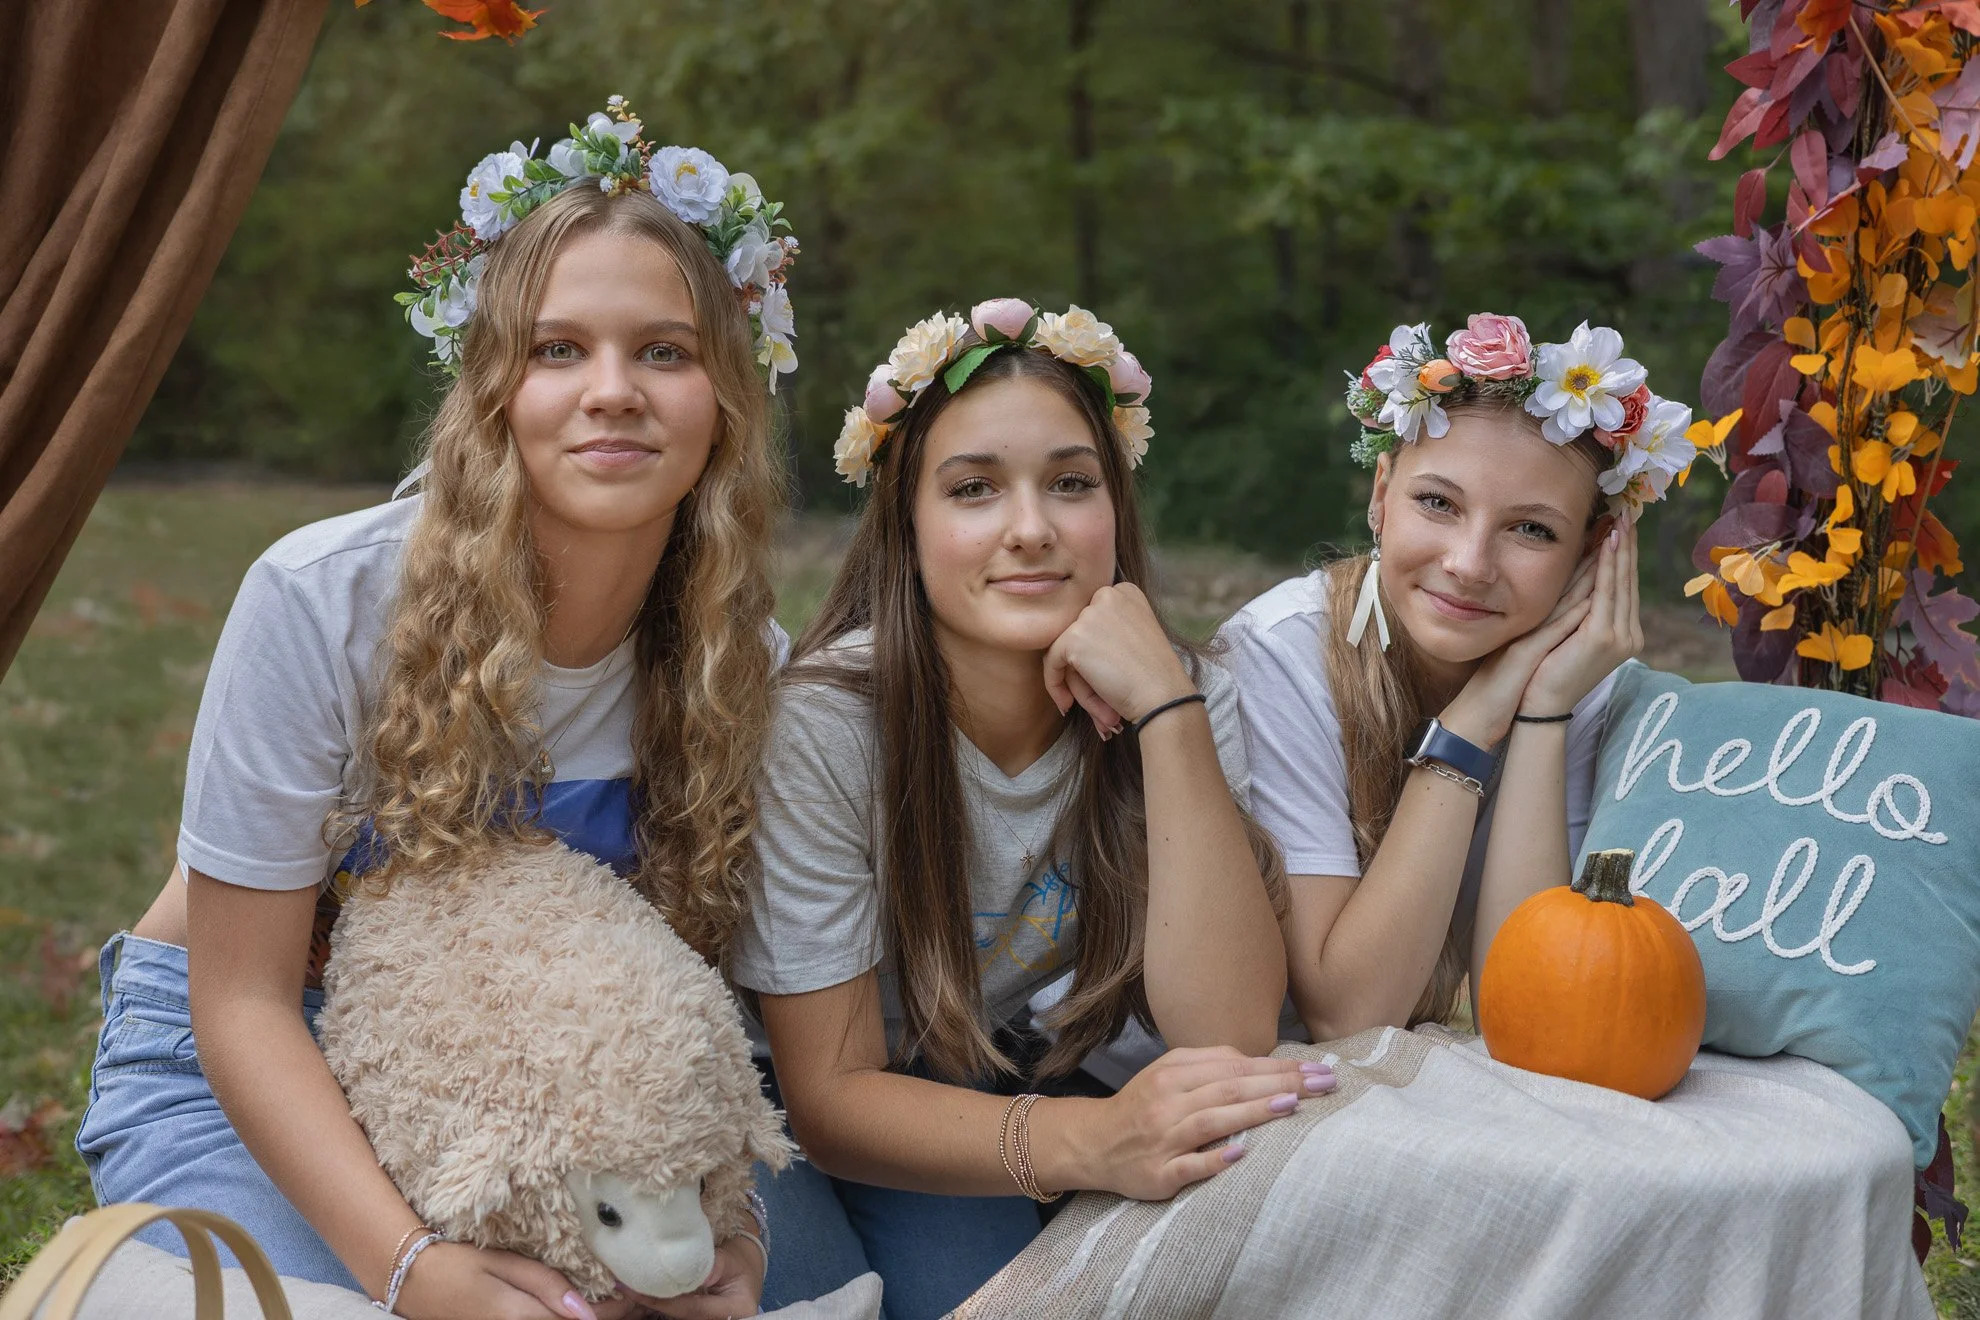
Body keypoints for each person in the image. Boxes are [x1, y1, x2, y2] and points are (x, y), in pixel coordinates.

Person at [75, 99, 797, 1320]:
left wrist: (732, 1229)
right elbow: (241, 1004)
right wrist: (410, 1270)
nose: (612, 391)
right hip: (250, 1048)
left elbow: (700, 1008)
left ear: (727, 393)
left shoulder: (743, 664)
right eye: (557, 348)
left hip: (546, 1083)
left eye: (665, 352)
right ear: (492, 385)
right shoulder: (324, 600)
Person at [732, 299, 1324, 1320]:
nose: (1032, 530)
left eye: (1070, 483)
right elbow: (828, 1096)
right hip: (765, 1093)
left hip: (951, 1077)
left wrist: (1168, 715)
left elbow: (1225, 1028)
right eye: (974, 489)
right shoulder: (826, 725)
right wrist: (1094, 1141)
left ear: (1116, 508)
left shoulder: (1183, 696)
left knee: (1004, 1300)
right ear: (907, 527)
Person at [1222, 314, 1693, 1039]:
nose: (1469, 565)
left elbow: (1525, 1002)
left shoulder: (1582, 686)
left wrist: (1541, 712)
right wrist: (1470, 727)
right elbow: (1348, 1013)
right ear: (1381, 494)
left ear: (1593, 552)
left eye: (1531, 529)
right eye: (1438, 502)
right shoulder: (1283, 651)